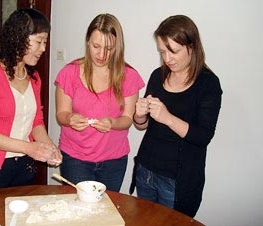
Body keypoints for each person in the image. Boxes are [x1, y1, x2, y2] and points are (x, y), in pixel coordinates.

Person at [131, 15, 222, 217]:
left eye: (173, 52)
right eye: (162, 52)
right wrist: (139, 115)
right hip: (146, 170)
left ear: (192, 46)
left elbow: (203, 136)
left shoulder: (208, 84)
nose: (167, 59)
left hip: (177, 181)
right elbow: (142, 125)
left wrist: (168, 117)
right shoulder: (158, 75)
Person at [0, 8, 62, 194]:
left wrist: (48, 147)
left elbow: (36, 122)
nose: (43, 48)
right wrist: (29, 147)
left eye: (45, 42)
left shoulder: (34, 78)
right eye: (38, 41)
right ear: (19, 37)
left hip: (23, 168)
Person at [55, 13, 144, 192]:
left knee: (106, 211)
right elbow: (61, 115)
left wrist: (112, 122)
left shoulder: (129, 76)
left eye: (109, 48)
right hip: (75, 158)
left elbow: (128, 118)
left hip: (113, 160)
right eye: (96, 46)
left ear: (118, 47)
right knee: (78, 214)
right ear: (88, 41)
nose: (102, 54)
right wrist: (70, 118)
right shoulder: (69, 72)